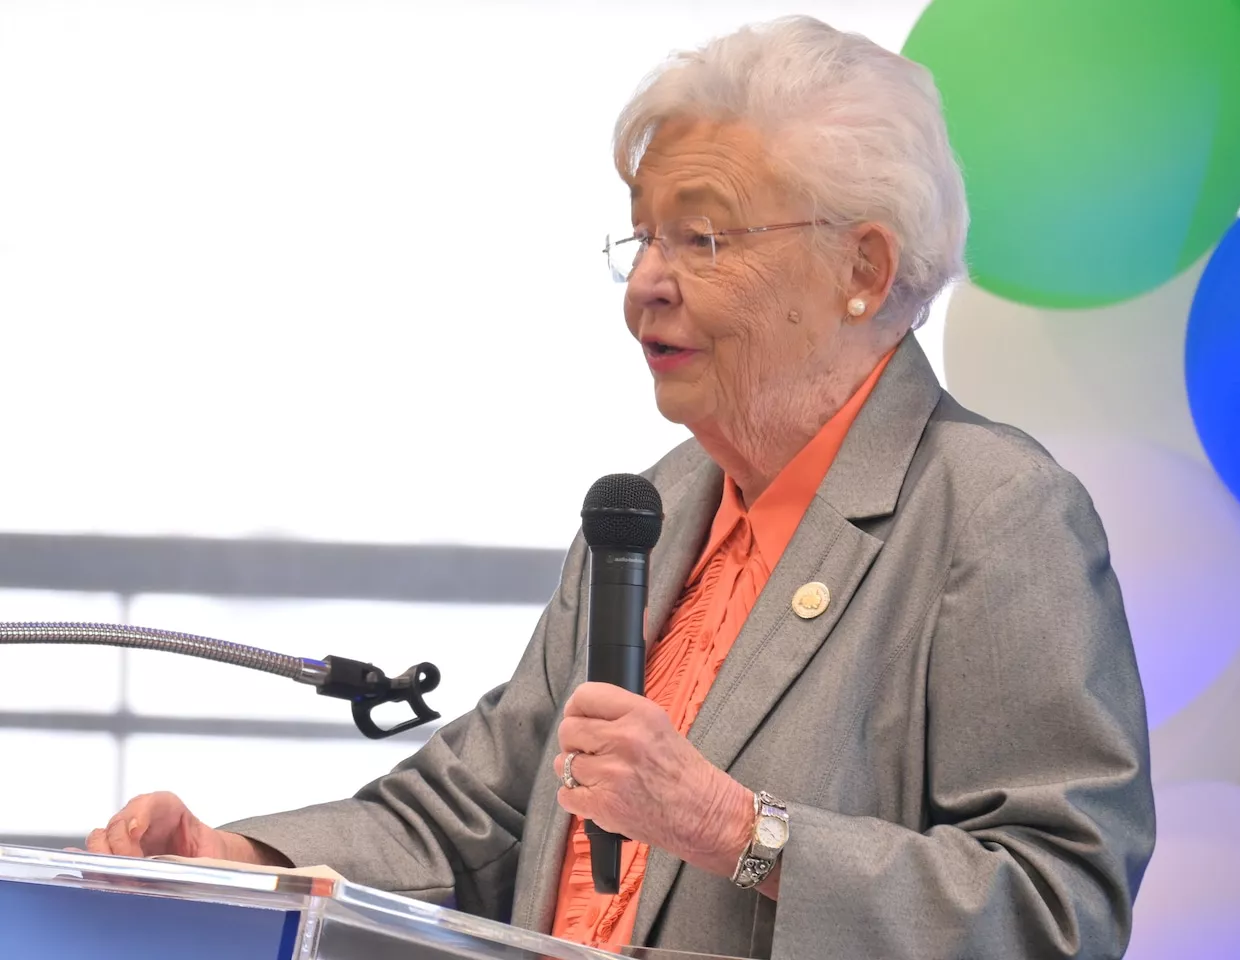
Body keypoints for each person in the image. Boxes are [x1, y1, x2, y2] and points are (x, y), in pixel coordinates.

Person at [86, 16, 1156, 959]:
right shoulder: (647, 510)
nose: (647, 282)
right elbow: (479, 812)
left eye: (701, 237)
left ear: (862, 270)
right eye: (642, 236)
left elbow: (1057, 907)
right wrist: (237, 858)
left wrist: (742, 833)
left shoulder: (993, 512)